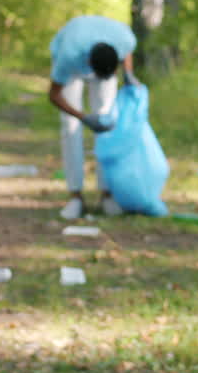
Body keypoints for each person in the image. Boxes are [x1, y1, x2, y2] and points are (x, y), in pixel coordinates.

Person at [46, 15, 138, 220]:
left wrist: (129, 75)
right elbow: (54, 95)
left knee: (107, 123)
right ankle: (75, 196)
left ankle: (107, 194)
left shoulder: (124, 40)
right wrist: (83, 117)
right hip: (71, 59)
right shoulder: (69, 55)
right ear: (88, 63)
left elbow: (127, 55)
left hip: (103, 53)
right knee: (70, 127)